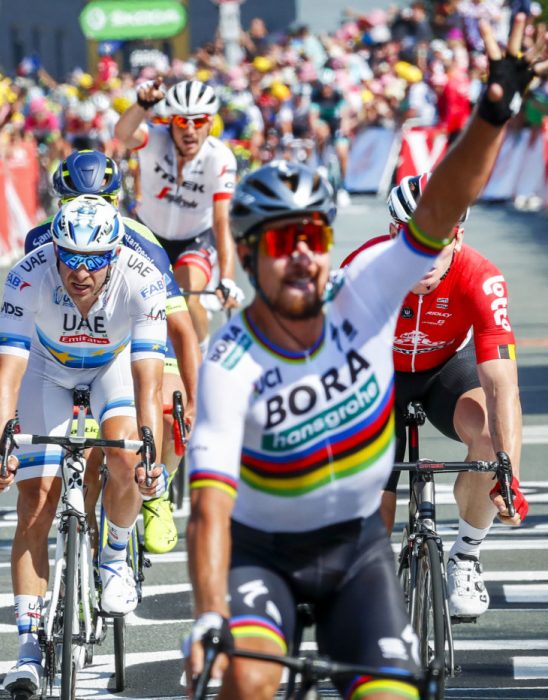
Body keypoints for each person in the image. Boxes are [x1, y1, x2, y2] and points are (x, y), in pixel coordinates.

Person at [183, 15, 539, 698]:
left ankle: (462, 556)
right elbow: (208, 507)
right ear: (249, 257)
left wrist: (492, 116)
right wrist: (206, 615)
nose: (302, 256)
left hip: (354, 553)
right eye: (281, 243)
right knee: (248, 681)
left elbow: (439, 208)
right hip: (265, 552)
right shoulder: (231, 359)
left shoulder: (365, 289)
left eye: (314, 237)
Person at [0, 195, 167, 698]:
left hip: (113, 368)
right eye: (69, 258)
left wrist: (149, 455)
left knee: (127, 457)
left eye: (94, 260)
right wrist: (1, 452)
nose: (80, 272)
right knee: (35, 502)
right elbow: (6, 377)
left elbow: (149, 382)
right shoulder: (27, 274)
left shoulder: (142, 278)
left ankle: (113, 557)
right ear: (55, 250)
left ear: (114, 253)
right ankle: (27, 650)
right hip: (47, 370)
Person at [342, 170, 524, 619]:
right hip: (378, 376)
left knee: (490, 437)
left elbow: (502, 385)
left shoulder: (481, 277)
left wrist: (509, 476)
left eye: (437, 240)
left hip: (447, 370)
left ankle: (466, 555)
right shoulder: (361, 271)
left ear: (457, 236)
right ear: (393, 234)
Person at [24, 150, 201, 553]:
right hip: (72, 345)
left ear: (116, 202)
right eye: (74, 201)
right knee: (81, 449)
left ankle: (155, 493)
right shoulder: (40, 239)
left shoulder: (140, 241)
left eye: (101, 201)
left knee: (169, 409)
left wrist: (194, 399)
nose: (88, 210)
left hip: (134, 333)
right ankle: (82, 544)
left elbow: (181, 328)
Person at [113, 78, 242, 343]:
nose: (190, 130)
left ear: (211, 123)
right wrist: (142, 105)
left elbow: (221, 221)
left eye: (199, 121)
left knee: (185, 298)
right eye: (183, 121)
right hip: (149, 235)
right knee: (129, 296)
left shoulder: (220, 158)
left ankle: (200, 355)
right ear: (171, 122)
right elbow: (123, 134)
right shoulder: (154, 139)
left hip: (195, 239)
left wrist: (227, 278)